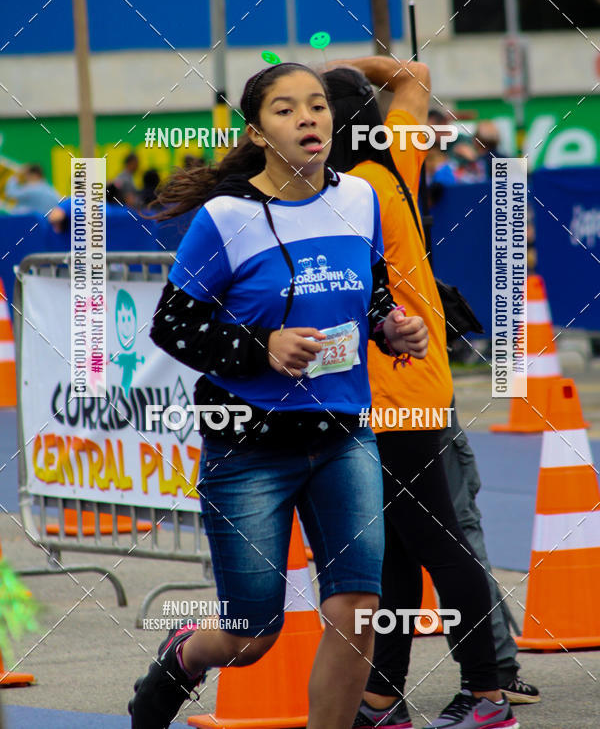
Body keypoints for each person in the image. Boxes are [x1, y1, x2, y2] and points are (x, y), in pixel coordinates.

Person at [128, 62, 429, 729]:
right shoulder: (226, 218)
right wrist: (260, 348)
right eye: (287, 110)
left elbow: (370, 290)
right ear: (258, 133)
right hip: (248, 448)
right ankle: (182, 658)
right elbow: (172, 326)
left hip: (343, 435)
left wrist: (390, 327)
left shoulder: (359, 199)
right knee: (251, 634)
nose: (308, 119)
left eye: (317, 106)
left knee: (356, 611)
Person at [324, 57, 538, 729]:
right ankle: (385, 699)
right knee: (398, 543)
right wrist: (348, 67)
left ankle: (487, 694)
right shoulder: (395, 164)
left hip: (391, 392)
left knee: (435, 537)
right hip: (412, 382)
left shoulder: (346, 193)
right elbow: (413, 73)